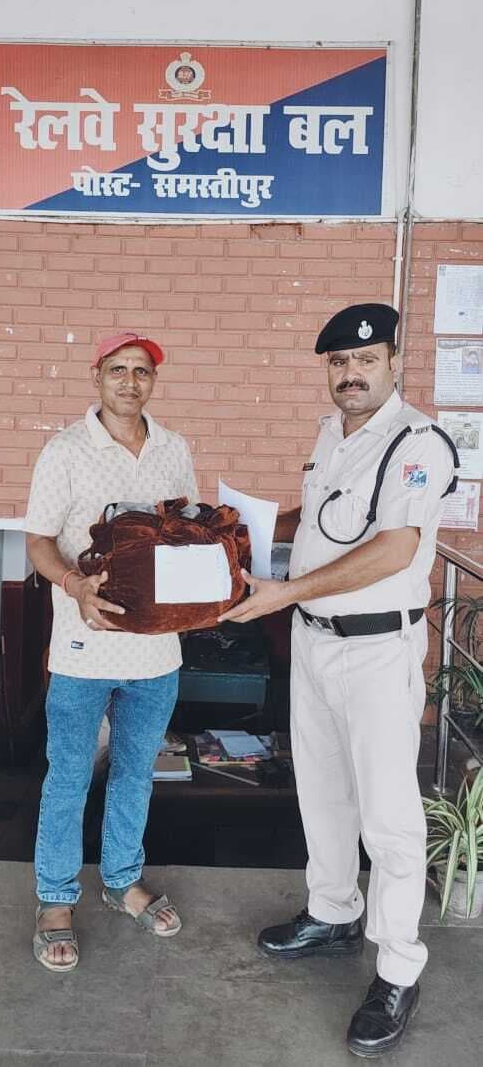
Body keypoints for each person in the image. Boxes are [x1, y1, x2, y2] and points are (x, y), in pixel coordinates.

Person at [220, 304, 456, 1057]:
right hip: (314, 641)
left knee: (388, 817)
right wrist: (236, 532)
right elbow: (324, 522)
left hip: (377, 649)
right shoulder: (334, 433)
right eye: (338, 363)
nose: (351, 374)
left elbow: (394, 549)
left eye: (366, 360)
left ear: (394, 363)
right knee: (321, 791)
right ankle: (332, 913)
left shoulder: (417, 444)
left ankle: (398, 968)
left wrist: (285, 592)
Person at [24, 332, 199, 972]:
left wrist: (203, 595)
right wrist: (74, 585)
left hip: (155, 652)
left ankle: (122, 879)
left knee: (134, 772)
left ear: (153, 381)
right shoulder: (65, 450)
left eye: (142, 371)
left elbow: (187, 534)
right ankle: (55, 898)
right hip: (83, 648)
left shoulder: (174, 448)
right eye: (118, 369)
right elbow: (39, 542)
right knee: (69, 775)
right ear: (96, 376)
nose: (131, 381)